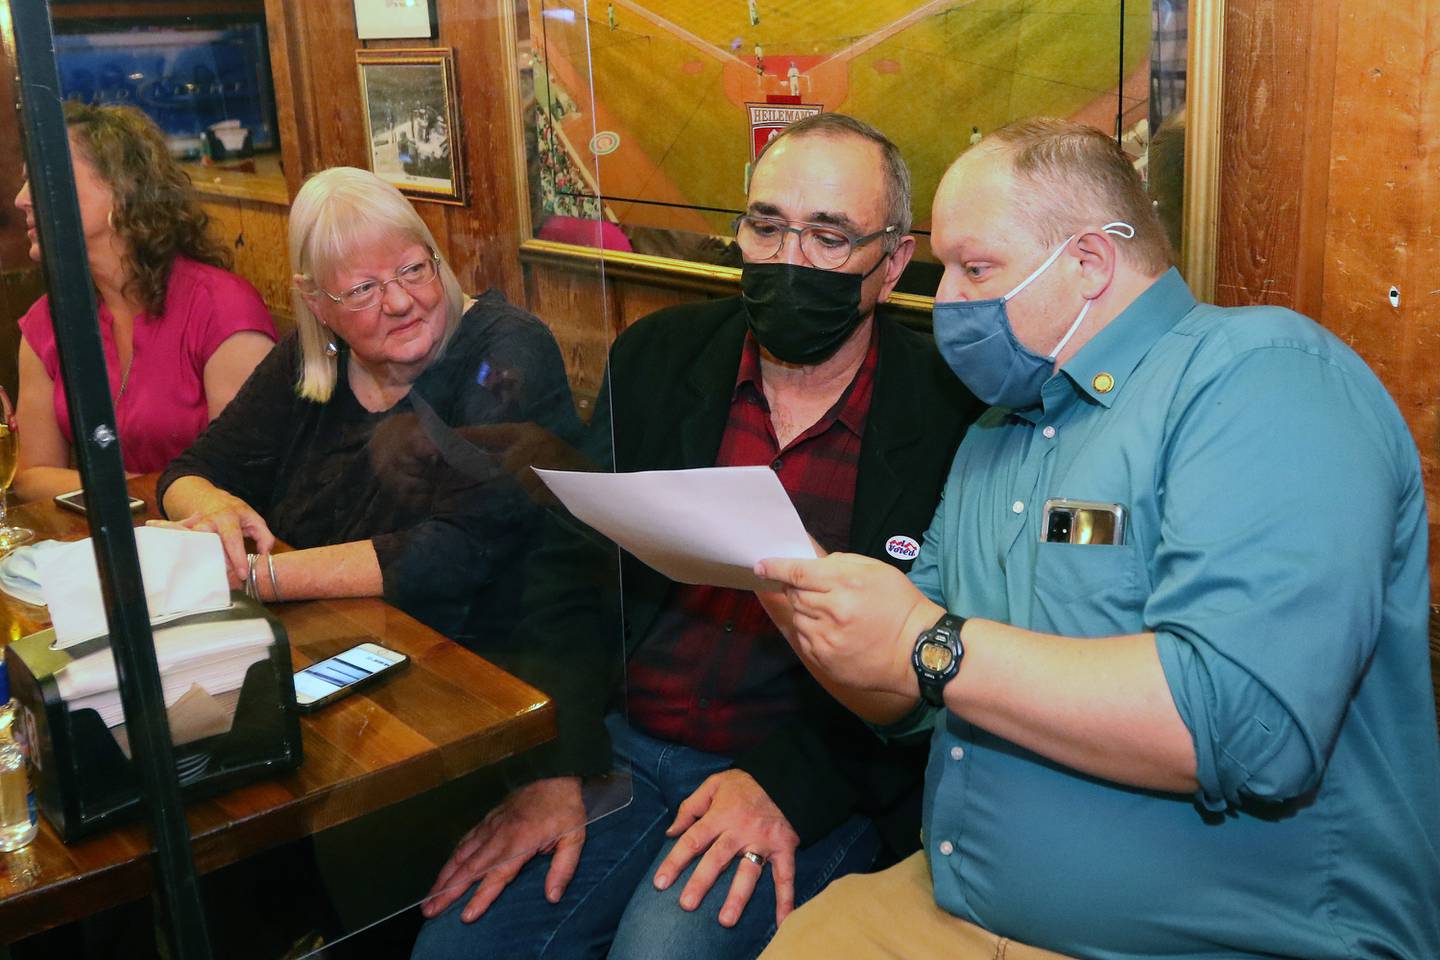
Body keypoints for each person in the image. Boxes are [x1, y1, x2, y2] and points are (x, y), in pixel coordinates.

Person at [755, 118, 1440, 959]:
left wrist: (921, 643)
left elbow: (1242, 726)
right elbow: (906, 699)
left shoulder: (1263, 378)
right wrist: (824, 623)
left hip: (1230, 938)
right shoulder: (995, 436)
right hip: (960, 906)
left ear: (1087, 264)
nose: (946, 304)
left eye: (977, 269)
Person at [412, 114, 982, 960]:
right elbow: (570, 571)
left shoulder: (948, 409)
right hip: (624, 747)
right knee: (462, 942)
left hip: (808, 770)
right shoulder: (658, 358)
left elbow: (939, 661)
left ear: (891, 263)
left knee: (665, 948)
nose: (790, 260)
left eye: (829, 237)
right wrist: (558, 761)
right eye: (766, 225)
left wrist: (787, 787)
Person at [157, 166, 578, 647]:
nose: (399, 301)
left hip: (478, 662)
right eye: (363, 290)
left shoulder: (504, 351)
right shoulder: (311, 358)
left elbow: (460, 548)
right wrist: (215, 509)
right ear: (316, 303)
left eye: (413, 269)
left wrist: (254, 577)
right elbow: (191, 470)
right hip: (331, 639)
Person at [11, 102, 276, 501]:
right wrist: (140, 496)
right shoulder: (47, 320)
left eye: (44, 178)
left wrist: (132, 496)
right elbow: (31, 476)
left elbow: (244, 481)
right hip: (107, 542)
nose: (20, 199)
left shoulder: (222, 309)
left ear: (121, 190)